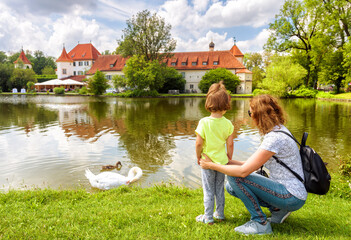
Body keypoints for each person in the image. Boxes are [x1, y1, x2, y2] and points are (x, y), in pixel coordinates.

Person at [200, 94, 307, 235]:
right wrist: (225, 161)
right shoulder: (279, 130)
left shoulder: (274, 138)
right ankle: (278, 210)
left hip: (291, 195)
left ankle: (260, 222)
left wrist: (212, 166)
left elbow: (243, 172)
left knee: (235, 178)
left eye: (250, 113)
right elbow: (252, 164)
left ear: (259, 115)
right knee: (230, 187)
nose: (250, 117)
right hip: (290, 191)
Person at [195, 81, 235, 225]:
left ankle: (208, 217)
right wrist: (229, 157)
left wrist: (198, 157)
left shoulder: (204, 122)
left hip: (207, 162)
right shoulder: (228, 124)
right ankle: (220, 214)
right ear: (225, 105)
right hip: (222, 162)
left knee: (208, 190)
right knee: (219, 188)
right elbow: (230, 144)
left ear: (209, 103)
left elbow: (199, 143)